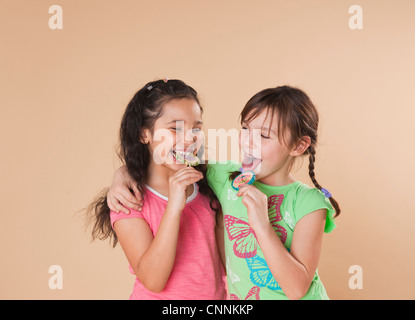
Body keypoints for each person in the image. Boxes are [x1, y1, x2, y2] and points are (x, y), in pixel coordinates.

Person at [108, 85, 341, 300]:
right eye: (246, 130)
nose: (249, 143)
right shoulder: (226, 179)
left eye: (264, 135)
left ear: (299, 146)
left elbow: (297, 288)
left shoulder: (310, 203)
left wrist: (262, 225)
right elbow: (174, 162)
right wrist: (125, 172)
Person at [85, 78, 227, 300]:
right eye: (175, 128)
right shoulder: (128, 199)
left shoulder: (211, 185)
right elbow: (153, 280)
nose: (189, 139)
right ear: (144, 134)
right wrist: (173, 208)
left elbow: (227, 267)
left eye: (196, 128)